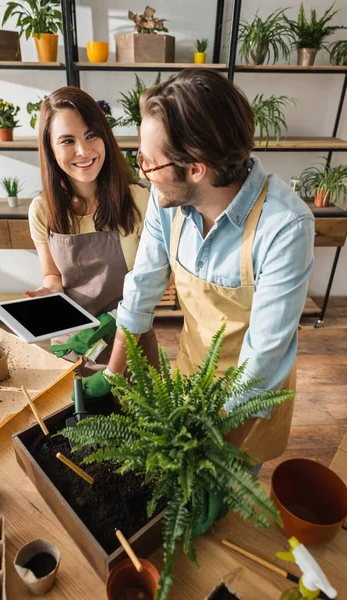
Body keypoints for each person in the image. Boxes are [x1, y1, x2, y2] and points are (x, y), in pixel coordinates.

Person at [82, 68, 315, 466]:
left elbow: (262, 365)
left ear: (195, 169)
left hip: (250, 405)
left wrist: (212, 457)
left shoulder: (285, 227)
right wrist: (115, 372)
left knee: (233, 503)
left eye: (148, 163)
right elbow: (142, 287)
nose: (142, 172)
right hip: (191, 376)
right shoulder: (165, 197)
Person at [25, 86, 159, 375]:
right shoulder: (42, 210)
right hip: (73, 342)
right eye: (67, 141)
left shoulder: (139, 201)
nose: (83, 151)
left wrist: (116, 319)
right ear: (50, 148)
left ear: (105, 137)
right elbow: (53, 275)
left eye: (91, 135)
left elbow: (160, 277)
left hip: (131, 341)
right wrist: (47, 293)